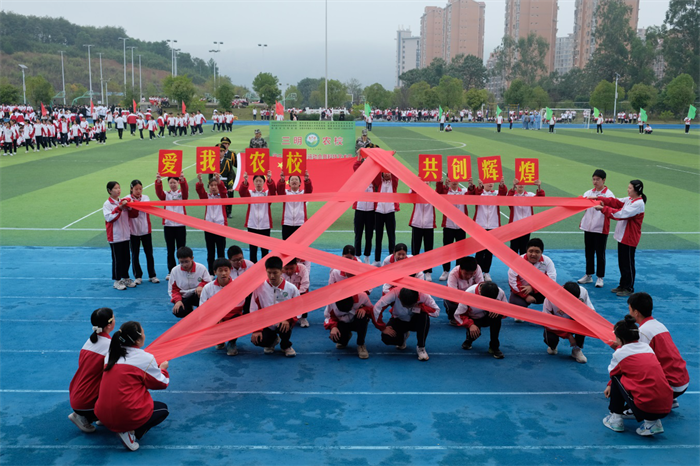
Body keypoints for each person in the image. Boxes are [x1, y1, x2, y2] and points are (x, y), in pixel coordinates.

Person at [94, 321, 170, 451]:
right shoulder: (146, 358)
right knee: (163, 409)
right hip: (124, 415)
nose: (145, 335)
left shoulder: (111, 354)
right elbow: (162, 383)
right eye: (143, 332)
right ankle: (130, 432)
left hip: (101, 413)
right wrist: (162, 369)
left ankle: (110, 422)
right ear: (138, 340)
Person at [602, 316, 672, 436]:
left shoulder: (620, 353)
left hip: (645, 408)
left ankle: (615, 419)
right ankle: (653, 423)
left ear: (619, 339)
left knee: (616, 379)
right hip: (667, 406)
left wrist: (619, 348)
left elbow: (613, 373)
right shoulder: (647, 348)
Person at [628, 292, 689, 408]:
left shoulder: (643, 332)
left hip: (672, 385)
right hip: (682, 380)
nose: (629, 313)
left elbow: (639, 363)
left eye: (630, 309)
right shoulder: (658, 325)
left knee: (625, 378)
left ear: (636, 312)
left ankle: (635, 409)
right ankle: (670, 399)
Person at [594, 180, 646, 297]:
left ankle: (629, 287)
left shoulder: (638, 204)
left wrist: (603, 209)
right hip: (623, 237)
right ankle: (623, 285)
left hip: (629, 238)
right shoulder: (630, 200)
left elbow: (621, 214)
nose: (628, 190)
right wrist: (600, 199)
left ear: (637, 190)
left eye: (630, 188)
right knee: (622, 263)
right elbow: (616, 202)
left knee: (628, 264)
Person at [68, 308, 115, 433]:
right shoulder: (110, 346)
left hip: (76, 394)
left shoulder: (89, 342)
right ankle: (96, 415)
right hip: (86, 401)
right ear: (109, 324)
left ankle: (93, 415)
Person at [249, 256, 300, 357]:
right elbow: (254, 309)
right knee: (258, 340)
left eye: (275, 273)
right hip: (266, 323)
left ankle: (285, 345)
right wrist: (257, 330)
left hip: (283, 322)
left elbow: (298, 308)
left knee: (285, 327)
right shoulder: (259, 288)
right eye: (269, 272)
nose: (272, 276)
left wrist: (288, 319)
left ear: (281, 271)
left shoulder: (291, 288)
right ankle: (272, 341)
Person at [373, 287, 439, 361]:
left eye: (409, 306)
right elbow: (377, 308)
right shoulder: (394, 293)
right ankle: (402, 338)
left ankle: (421, 347)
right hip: (399, 319)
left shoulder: (423, 295)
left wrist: (421, 307)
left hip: (415, 321)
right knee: (386, 338)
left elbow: (436, 311)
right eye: (404, 305)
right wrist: (382, 328)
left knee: (424, 317)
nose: (406, 307)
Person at [579, 169, 615, 288]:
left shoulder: (609, 194)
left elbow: (611, 208)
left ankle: (600, 277)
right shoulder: (588, 192)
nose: (595, 182)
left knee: (600, 253)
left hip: (600, 228)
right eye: (593, 179)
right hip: (588, 227)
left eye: (597, 179)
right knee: (588, 252)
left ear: (604, 180)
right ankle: (588, 275)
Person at [200, 258, 242, 356]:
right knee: (207, 321)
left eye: (226, 270)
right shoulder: (208, 288)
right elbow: (203, 308)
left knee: (238, 320)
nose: (223, 273)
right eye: (220, 270)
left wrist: (221, 317)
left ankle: (232, 342)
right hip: (215, 318)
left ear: (230, 271)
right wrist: (215, 318)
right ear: (214, 272)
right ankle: (219, 339)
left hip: (231, 317)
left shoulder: (238, 285)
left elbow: (239, 305)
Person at [542, 282, 592, 363]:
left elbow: (590, 312)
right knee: (551, 341)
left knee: (584, 323)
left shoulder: (583, 291)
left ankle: (577, 349)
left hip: (574, 321)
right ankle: (552, 346)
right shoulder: (551, 298)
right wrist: (568, 335)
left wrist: (571, 308)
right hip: (556, 323)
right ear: (563, 295)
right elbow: (547, 321)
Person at [454, 281, 506, 359]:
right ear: (480, 291)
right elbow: (458, 315)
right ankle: (469, 339)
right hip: (474, 318)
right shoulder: (469, 293)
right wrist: (470, 325)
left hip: (489, 316)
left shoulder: (500, 292)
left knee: (497, 317)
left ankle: (494, 347)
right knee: (475, 333)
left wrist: (498, 310)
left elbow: (506, 309)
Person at [436, 176, 474, 280]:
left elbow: (472, 195)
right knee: (447, 250)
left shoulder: (464, 191)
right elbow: (438, 192)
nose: (454, 182)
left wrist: (471, 186)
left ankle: (458, 270)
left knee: (461, 251)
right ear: (448, 180)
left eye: (456, 179)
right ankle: (446, 271)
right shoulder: (446, 191)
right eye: (452, 179)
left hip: (461, 226)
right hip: (448, 225)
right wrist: (442, 184)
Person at [507, 237, 557, 311]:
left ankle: (549, 313)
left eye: (537, 252)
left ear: (541, 252)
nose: (533, 254)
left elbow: (551, 280)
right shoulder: (518, 261)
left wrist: (533, 288)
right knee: (516, 304)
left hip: (541, 291)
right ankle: (521, 311)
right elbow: (513, 282)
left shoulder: (547, 261)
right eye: (531, 251)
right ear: (526, 251)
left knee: (556, 299)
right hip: (522, 290)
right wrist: (525, 296)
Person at [124, 180, 159, 284]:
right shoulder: (127, 198)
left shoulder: (145, 198)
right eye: (136, 189)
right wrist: (129, 202)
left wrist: (132, 204)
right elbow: (124, 203)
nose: (138, 191)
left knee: (149, 254)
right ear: (131, 189)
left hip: (145, 230)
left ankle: (152, 275)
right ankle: (138, 276)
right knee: (135, 255)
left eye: (140, 189)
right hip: (133, 231)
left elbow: (144, 206)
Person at [155, 174, 189, 277]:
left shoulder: (182, 194)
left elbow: (185, 190)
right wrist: (158, 181)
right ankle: (171, 271)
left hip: (180, 225)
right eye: (170, 183)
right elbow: (159, 193)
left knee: (181, 250)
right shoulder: (166, 194)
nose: (173, 184)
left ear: (178, 183)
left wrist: (183, 179)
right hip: (168, 225)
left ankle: (183, 269)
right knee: (170, 250)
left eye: (174, 182)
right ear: (168, 184)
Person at [473, 177, 507, 281]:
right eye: (487, 182)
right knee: (479, 251)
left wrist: (502, 185)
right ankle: (477, 272)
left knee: (489, 251)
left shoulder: (496, 193)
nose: (490, 184)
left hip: (493, 226)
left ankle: (486, 272)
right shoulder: (479, 193)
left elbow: (503, 194)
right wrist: (479, 187)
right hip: (480, 226)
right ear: (482, 183)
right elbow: (474, 194)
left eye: (492, 182)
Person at [104, 181, 135, 291]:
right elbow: (110, 218)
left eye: (119, 188)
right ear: (109, 191)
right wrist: (119, 208)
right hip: (115, 236)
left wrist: (127, 204)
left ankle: (126, 278)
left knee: (126, 259)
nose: (118, 190)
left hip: (125, 235)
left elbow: (132, 212)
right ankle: (117, 280)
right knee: (117, 260)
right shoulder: (107, 204)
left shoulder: (123, 202)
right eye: (115, 188)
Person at [239, 171, 276, 262]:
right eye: (256, 181)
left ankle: (265, 267)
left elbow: (273, 192)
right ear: (253, 182)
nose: (258, 183)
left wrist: (270, 180)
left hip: (265, 225)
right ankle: (253, 266)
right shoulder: (250, 193)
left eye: (260, 181)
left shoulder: (267, 193)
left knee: (265, 250)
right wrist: (245, 181)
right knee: (253, 250)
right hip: (252, 225)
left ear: (264, 182)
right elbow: (242, 193)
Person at [195, 173, 228, 275]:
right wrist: (200, 182)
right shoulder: (207, 197)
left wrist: (219, 182)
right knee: (210, 252)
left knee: (221, 252)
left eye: (215, 185)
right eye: (211, 185)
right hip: (208, 228)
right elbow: (200, 192)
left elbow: (223, 191)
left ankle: (222, 272)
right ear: (208, 187)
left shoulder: (223, 197)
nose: (213, 187)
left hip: (220, 227)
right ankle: (211, 272)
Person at [324, 294, 373, 359]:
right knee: (335, 337)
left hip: (356, 322)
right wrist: (333, 327)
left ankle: (361, 344)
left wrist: (364, 309)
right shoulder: (331, 302)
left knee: (362, 317)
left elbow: (372, 310)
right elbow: (328, 317)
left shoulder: (362, 296)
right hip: (342, 323)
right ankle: (345, 337)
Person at [168, 246, 211, 318]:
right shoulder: (175, 271)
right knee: (179, 311)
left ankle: (203, 311)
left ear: (192, 258)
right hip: (184, 295)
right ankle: (189, 309)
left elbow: (208, 282)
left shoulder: (201, 268)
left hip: (197, 294)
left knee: (207, 302)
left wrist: (201, 286)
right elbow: (173, 289)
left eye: (187, 261)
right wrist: (177, 300)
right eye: (181, 262)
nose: (184, 265)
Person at [508, 178, 545, 254]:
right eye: (518, 183)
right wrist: (513, 187)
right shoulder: (512, 195)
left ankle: (523, 262)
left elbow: (540, 199)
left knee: (524, 250)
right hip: (514, 227)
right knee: (513, 250)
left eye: (522, 183)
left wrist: (539, 187)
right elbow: (507, 199)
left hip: (526, 227)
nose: (521, 185)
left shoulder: (530, 195)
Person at [409, 182, 437, 281]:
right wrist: (417, 183)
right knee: (415, 250)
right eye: (424, 181)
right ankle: (414, 271)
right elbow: (410, 194)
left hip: (429, 225)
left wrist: (439, 182)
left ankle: (428, 272)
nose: (426, 183)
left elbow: (439, 193)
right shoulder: (416, 193)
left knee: (428, 250)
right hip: (417, 224)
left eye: (428, 181)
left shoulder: (433, 193)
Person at [444, 256, 484, 324]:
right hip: (457, 297)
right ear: (460, 269)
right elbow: (453, 295)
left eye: (471, 274)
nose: (468, 276)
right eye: (466, 273)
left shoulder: (477, 269)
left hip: (472, 296)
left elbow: (481, 287)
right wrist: (467, 304)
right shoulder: (453, 274)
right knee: (451, 305)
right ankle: (453, 317)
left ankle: (471, 315)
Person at [352, 154, 376, 264]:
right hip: (359, 209)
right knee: (358, 234)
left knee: (369, 235)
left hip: (371, 211)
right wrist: (359, 155)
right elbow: (355, 167)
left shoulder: (375, 178)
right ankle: (357, 255)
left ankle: (367, 256)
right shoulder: (359, 178)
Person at [373, 169, 400, 266]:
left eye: (389, 172)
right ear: (382, 173)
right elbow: (376, 174)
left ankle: (391, 259)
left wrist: (391, 165)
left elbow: (396, 174)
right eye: (385, 172)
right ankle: (377, 260)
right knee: (378, 237)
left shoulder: (394, 183)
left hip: (390, 212)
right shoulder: (379, 182)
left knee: (391, 237)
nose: (387, 174)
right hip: (379, 212)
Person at [277, 170, 313, 240]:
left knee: (300, 244)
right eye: (292, 180)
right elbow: (279, 191)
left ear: (300, 183)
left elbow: (309, 190)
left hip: (301, 223)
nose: (294, 181)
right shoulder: (285, 193)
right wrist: (282, 180)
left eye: (296, 179)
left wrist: (307, 180)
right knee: (286, 245)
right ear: (289, 183)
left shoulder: (303, 193)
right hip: (287, 224)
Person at [282, 258, 310, 327]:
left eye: (292, 268)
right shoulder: (279, 271)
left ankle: (303, 317)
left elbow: (305, 284)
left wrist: (296, 294)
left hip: (299, 291)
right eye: (286, 269)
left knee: (305, 296)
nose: (289, 271)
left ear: (296, 265)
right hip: (285, 292)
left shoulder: (302, 268)